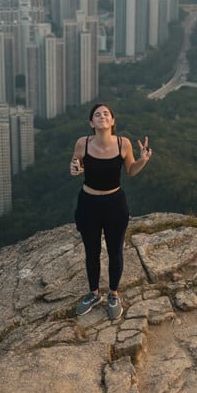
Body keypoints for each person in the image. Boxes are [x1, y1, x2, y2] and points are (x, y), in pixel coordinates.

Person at [70, 102, 152, 319]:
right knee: (92, 251)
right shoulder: (82, 143)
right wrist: (74, 168)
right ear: (91, 122)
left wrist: (143, 160)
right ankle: (94, 293)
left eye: (106, 114)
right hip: (88, 203)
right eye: (97, 114)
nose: (102, 116)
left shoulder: (123, 144)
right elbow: (75, 165)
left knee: (115, 251)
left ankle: (113, 294)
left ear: (113, 121)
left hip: (114, 203)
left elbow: (131, 171)